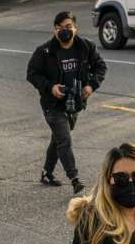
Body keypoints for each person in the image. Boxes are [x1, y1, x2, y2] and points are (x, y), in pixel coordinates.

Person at [26, 11, 107, 194]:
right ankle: (74, 178)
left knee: (58, 139)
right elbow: (32, 74)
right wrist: (50, 87)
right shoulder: (44, 51)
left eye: (68, 27)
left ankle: (47, 173)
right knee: (64, 139)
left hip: (75, 102)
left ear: (75, 28)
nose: (65, 30)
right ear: (55, 30)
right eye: (60, 27)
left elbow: (101, 66)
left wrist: (91, 86)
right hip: (52, 104)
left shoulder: (86, 47)